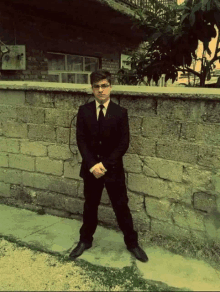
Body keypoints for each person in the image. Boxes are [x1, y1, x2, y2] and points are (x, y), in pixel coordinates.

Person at [69, 69, 148, 263]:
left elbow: (123, 143)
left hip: (112, 169)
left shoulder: (120, 113)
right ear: (92, 89)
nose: (100, 90)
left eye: (104, 86)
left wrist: (103, 165)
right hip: (91, 170)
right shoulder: (84, 111)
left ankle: (132, 244)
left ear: (110, 87)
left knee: (121, 207)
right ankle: (85, 240)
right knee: (90, 206)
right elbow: (81, 141)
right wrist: (92, 165)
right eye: (96, 86)